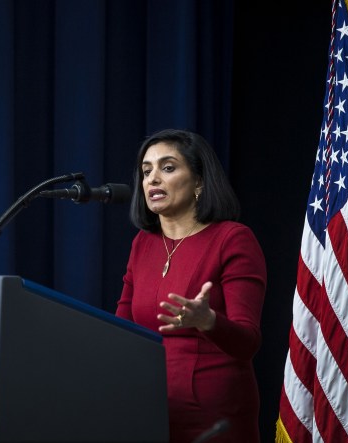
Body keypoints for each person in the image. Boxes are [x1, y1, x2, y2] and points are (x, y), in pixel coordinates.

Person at [115, 129, 266, 443]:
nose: (153, 179)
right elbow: (121, 328)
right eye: (146, 171)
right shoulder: (143, 243)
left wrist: (207, 321)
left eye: (167, 168)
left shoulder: (233, 238)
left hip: (212, 415)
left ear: (199, 182)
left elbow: (248, 341)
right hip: (148, 409)